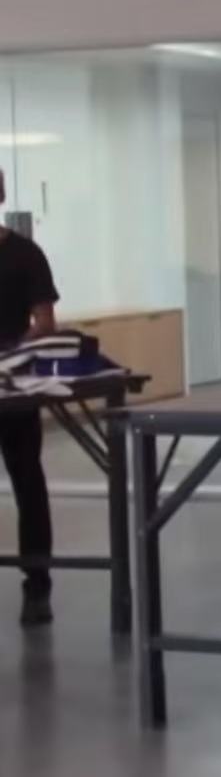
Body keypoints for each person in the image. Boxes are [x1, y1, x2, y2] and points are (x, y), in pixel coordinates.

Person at [0, 167, 60, 626]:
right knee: (29, 482)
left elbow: (45, 323)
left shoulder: (25, 255)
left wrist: (12, 353)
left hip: (16, 387)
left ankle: (37, 586)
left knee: (27, 482)